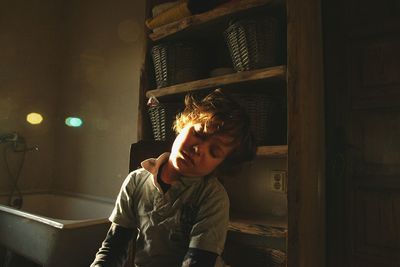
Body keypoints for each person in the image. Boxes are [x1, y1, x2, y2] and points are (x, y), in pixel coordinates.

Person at [90, 89, 256, 267]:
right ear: (184, 124)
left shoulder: (212, 196)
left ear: (220, 166)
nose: (199, 149)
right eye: (199, 134)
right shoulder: (136, 181)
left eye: (214, 152)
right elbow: (114, 246)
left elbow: (198, 261)